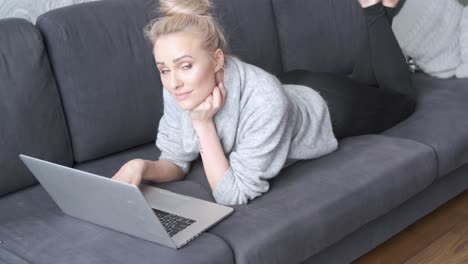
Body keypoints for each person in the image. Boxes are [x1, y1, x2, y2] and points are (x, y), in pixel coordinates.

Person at [112, 0, 416, 205]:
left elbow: (233, 194)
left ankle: (376, 7)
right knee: (364, 81)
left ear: (218, 59)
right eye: (164, 69)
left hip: (330, 107)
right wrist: (141, 166)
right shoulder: (178, 89)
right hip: (291, 85)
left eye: (185, 65)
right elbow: (176, 159)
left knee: (402, 101)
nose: (174, 81)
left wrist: (203, 125)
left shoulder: (264, 99)